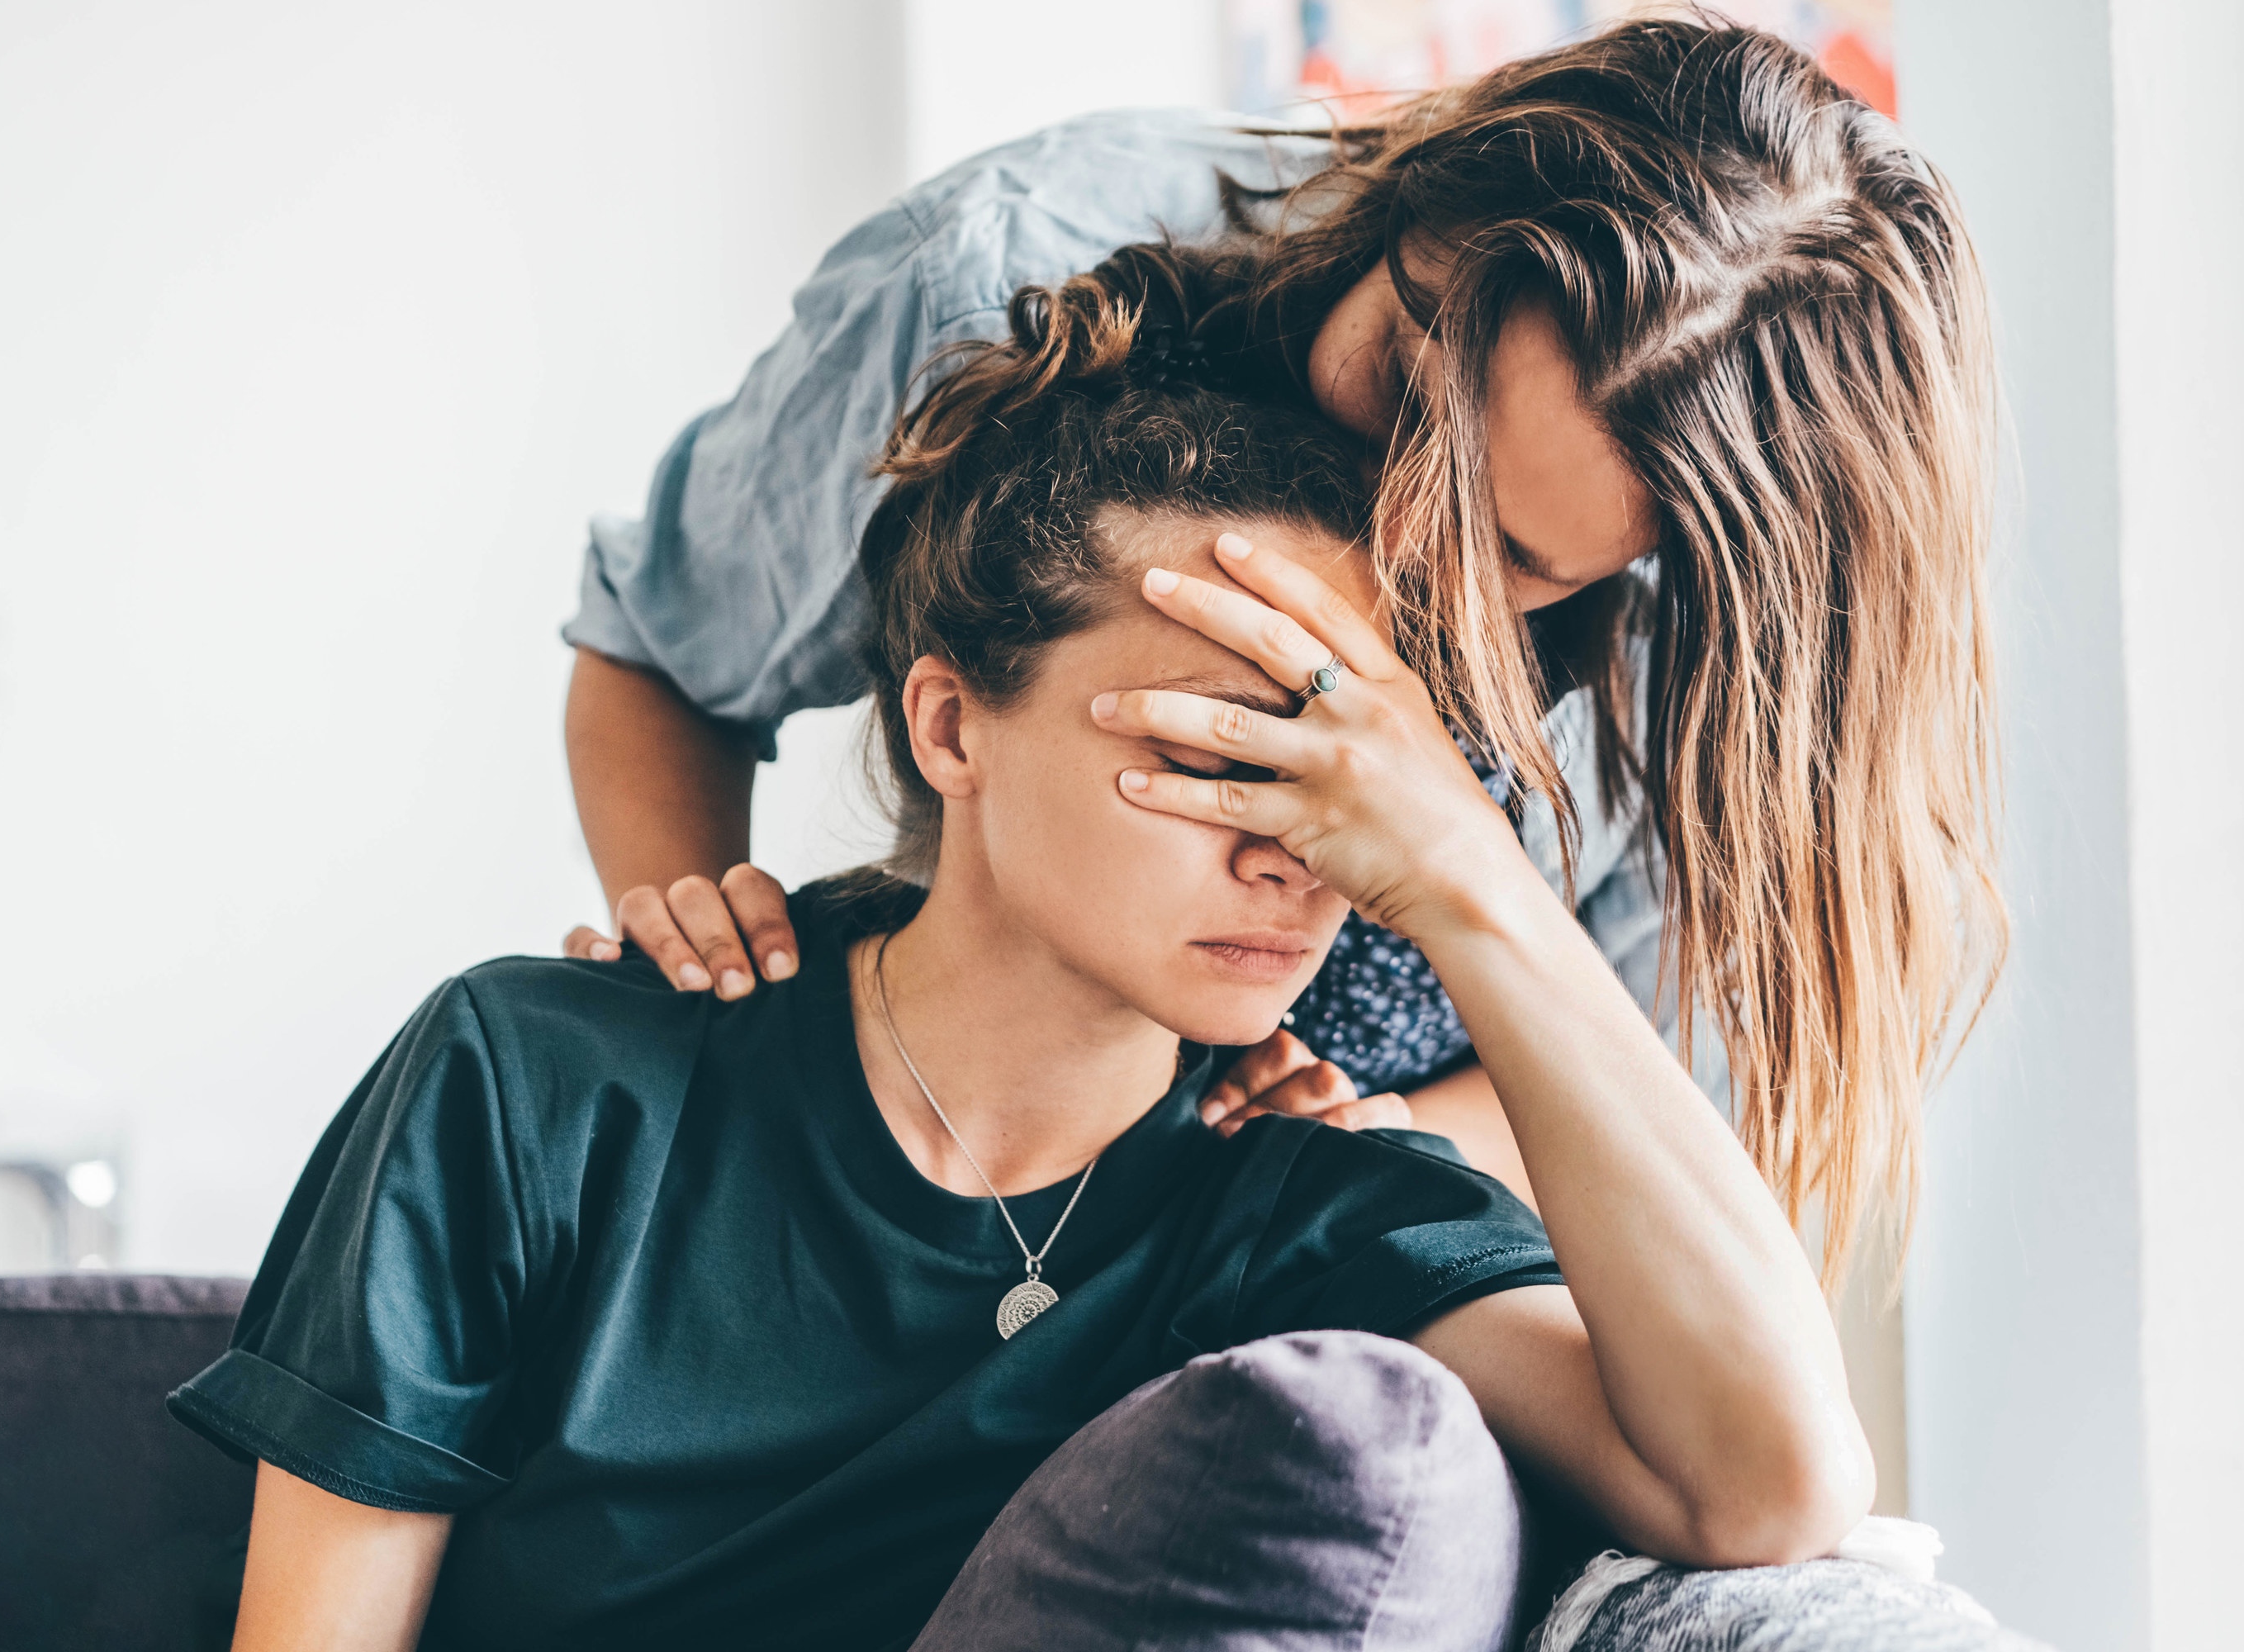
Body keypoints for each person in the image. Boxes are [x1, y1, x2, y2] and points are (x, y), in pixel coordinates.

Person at [174, 260, 1871, 1650]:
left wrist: (1473, 886)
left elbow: (1777, 1489)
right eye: (1220, 749)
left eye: (1353, 777)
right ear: (951, 724)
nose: (1295, 850)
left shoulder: (1300, 1206)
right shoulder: (538, 1078)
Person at [561, 19, 2004, 1279]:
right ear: (1405, 211)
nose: (1389, 548)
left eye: (1505, 557)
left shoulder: (1708, 614)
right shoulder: (992, 272)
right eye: (1395, 391)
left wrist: (1379, 1148)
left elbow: (1635, 1073)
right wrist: (715, 990)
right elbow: (661, 656)